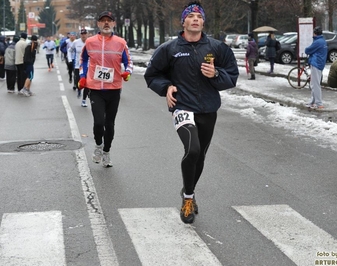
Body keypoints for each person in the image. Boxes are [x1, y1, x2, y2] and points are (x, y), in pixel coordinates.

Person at [144, 1, 239, 224]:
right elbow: (152, 75)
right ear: (183, 21)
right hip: (182, 106)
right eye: (191, 16)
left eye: (199, 16)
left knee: (201, 156)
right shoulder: (169, 49)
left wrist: (215, 74)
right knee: (192, 149)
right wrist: (166, 87)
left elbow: (232, 77)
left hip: (208, 108)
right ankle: (188, 199)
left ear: (203, 22)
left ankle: (189, 189)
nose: (195, 19)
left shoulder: (217, 48)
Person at [79, 11, 133, 167]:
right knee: (98, 122)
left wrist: (127, 72)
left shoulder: (120, 43)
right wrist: (83, 76)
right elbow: (83, 59)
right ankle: (98, 146)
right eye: (103, 21)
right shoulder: (89, 42)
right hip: (95, 89)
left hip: (114, 89)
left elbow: (129, 61)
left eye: (109, 21)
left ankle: (107, 151)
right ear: (98, 24)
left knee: (109, 124)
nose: (106, 23)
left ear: (114, 24)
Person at [304, 26, 327, 109]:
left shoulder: (317, 42)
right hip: (320, 64)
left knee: (315, 84)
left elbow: (307, 50)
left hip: (316, 63)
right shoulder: (323, 41)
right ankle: (313, 101)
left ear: (315, 33)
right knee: (314, 83)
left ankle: (318, 103)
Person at [69, 28, 89, 105]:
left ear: (87, 34)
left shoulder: (90, 42)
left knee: (87, 83)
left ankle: (84, 100)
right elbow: (69, 50)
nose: (83, 35)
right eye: (82, 34)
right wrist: (70, 59)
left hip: (88, 66)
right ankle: (79, 90)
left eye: (85, 34)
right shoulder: (76, 42)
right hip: (78, 66)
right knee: (78, 82)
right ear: (80, 35)